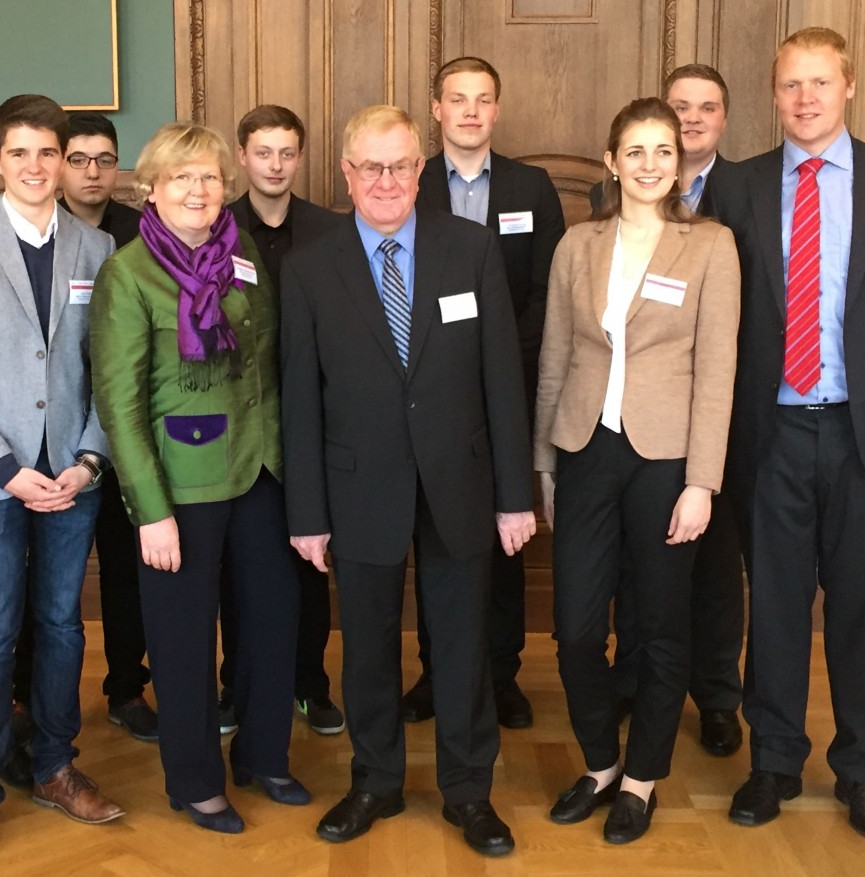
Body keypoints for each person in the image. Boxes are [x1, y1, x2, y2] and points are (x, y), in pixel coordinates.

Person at [281, 105, 536, 857]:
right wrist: (306, 513)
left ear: (420, 171)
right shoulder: (309, 266)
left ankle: (468, 791)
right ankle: (375, 781)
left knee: (462, 645)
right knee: (365, 648)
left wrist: (514, 494)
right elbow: (300, 398)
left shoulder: (472, 248)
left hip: (461, 481)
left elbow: (502, 381)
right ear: (347, 174)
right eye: (371, 167)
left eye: (400, 166)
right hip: (357, 487)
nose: (386, 181)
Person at [709, 28, 865, 842]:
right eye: (791, 85)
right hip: (772, 433)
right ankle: (775, 762)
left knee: (862, 610)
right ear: (774, 96)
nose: (806, 98)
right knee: (779, 606)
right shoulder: (740, 190)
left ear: (849, 87)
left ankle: (863, 770)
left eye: (820, 83)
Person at [89, 122, 305, 835]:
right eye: (182, 177)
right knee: (183, 638)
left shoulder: (239, 255)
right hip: (179, 485)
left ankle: (264, 754)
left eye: (210, 176)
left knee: (273, 620)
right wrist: (148, 509)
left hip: (259, 471)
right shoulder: (128, 273)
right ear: (151, 189)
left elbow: (269, 363)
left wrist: (288, 465)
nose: (198, 189)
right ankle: (194, 779)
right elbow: (119, 405)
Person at [536, 97, 740, 844]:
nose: (651, 163)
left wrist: (702, 481)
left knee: (657, 629)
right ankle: (597, 761)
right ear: (611, 160)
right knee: (577, 628)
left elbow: (718, 370)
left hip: (668, 461)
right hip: (586, 451)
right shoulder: (577, 247)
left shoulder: (712, 246)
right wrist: (546, 466)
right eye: (637, 150)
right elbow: (555, 357)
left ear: (678, 164)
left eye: (665, 150)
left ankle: (642, 777)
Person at [0, 94, 123, 864]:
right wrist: (7, 470)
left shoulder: (97, 252)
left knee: (62, 625)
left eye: (47, 152)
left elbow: (110, 374)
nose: (35, 166)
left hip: (72, 480)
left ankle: (56, 762)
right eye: (18, 152)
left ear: (65, 161)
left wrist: (88, 459)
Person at [401, 56, 565, 730]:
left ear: (497, 110)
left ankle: (502, 676)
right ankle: (437, 675)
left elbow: (545, 293)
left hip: (508, 393)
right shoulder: (408, 184)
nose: (470, 111)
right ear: (435, 109)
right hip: (427, 396)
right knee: (432, 536)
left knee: (502, 534)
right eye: (456, 99)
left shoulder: (533, 185)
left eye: (482, 99)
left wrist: (496, 357)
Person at [11, 111, 156, 747]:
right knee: (33, 586)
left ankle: (126, 688)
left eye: (105, 159)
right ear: (59, 165)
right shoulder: (37, 237)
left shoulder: (139, 234)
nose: (93, 171)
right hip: (39, 447)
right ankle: (24, 701)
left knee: (126, 573)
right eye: (79, 159)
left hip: (120, 438)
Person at [612, 64, 745, 758]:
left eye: (707, 108)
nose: (691, 120)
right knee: (643, 560)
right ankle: (633, 677)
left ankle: (718, 694)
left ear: (724, 118)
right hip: (640, 425)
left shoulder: (745, 193)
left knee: (717, 562)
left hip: (727, 413)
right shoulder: (623, 211)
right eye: (679, 108)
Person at [218, 104, 344, 737]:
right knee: (241, 563)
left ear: (301, 157)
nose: (274, 164)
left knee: (310, 558)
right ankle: (235, 685)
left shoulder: (330, 229)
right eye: (262, 152)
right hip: (240, 423)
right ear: (243, 156)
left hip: (316, 417)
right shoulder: (212, 227)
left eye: (286, 153)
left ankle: (309, 684)